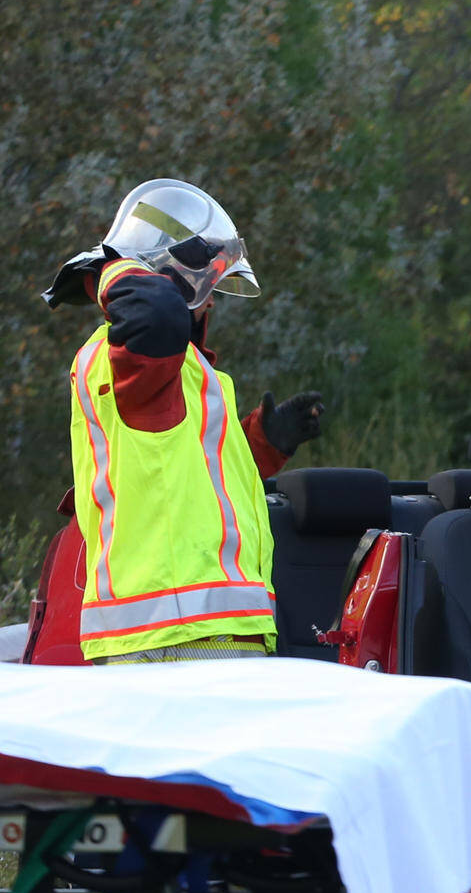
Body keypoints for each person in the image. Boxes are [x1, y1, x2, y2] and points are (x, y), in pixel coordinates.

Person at [45, 179, 327, 663]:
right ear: (165, 283)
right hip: (172, 636)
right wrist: (117, 266)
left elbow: (180, 474)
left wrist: (261, 444)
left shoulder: (183, 373)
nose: (212, 301)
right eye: (204, 287)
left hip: (199, 630)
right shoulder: (125, 356)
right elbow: (156, 319)